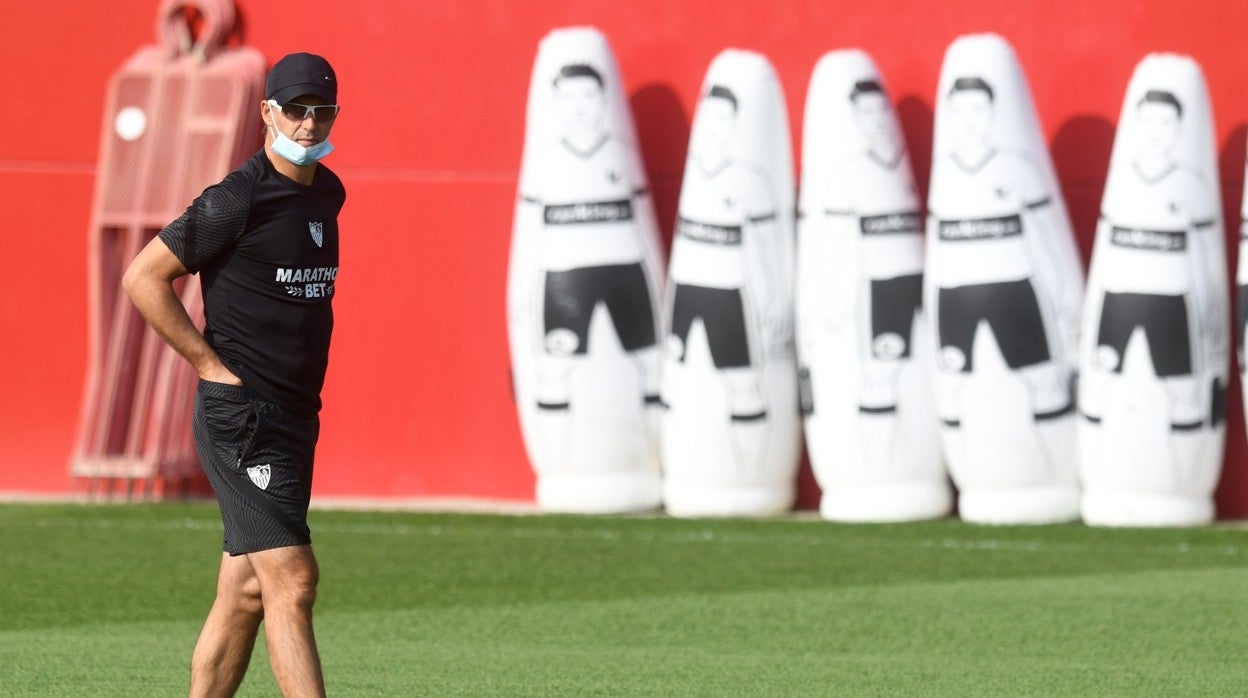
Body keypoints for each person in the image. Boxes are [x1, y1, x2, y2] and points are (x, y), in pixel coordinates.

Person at [122, 52, 345, 697]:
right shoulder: (234, 199)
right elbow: (143, 278)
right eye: (296, 110)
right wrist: (208, 364)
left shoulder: (328, 193)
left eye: (321, 110)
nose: (308, 124)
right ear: (267, 112)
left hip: (298, 417)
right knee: (293, 579)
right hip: (241, 418)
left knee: (246, 590)